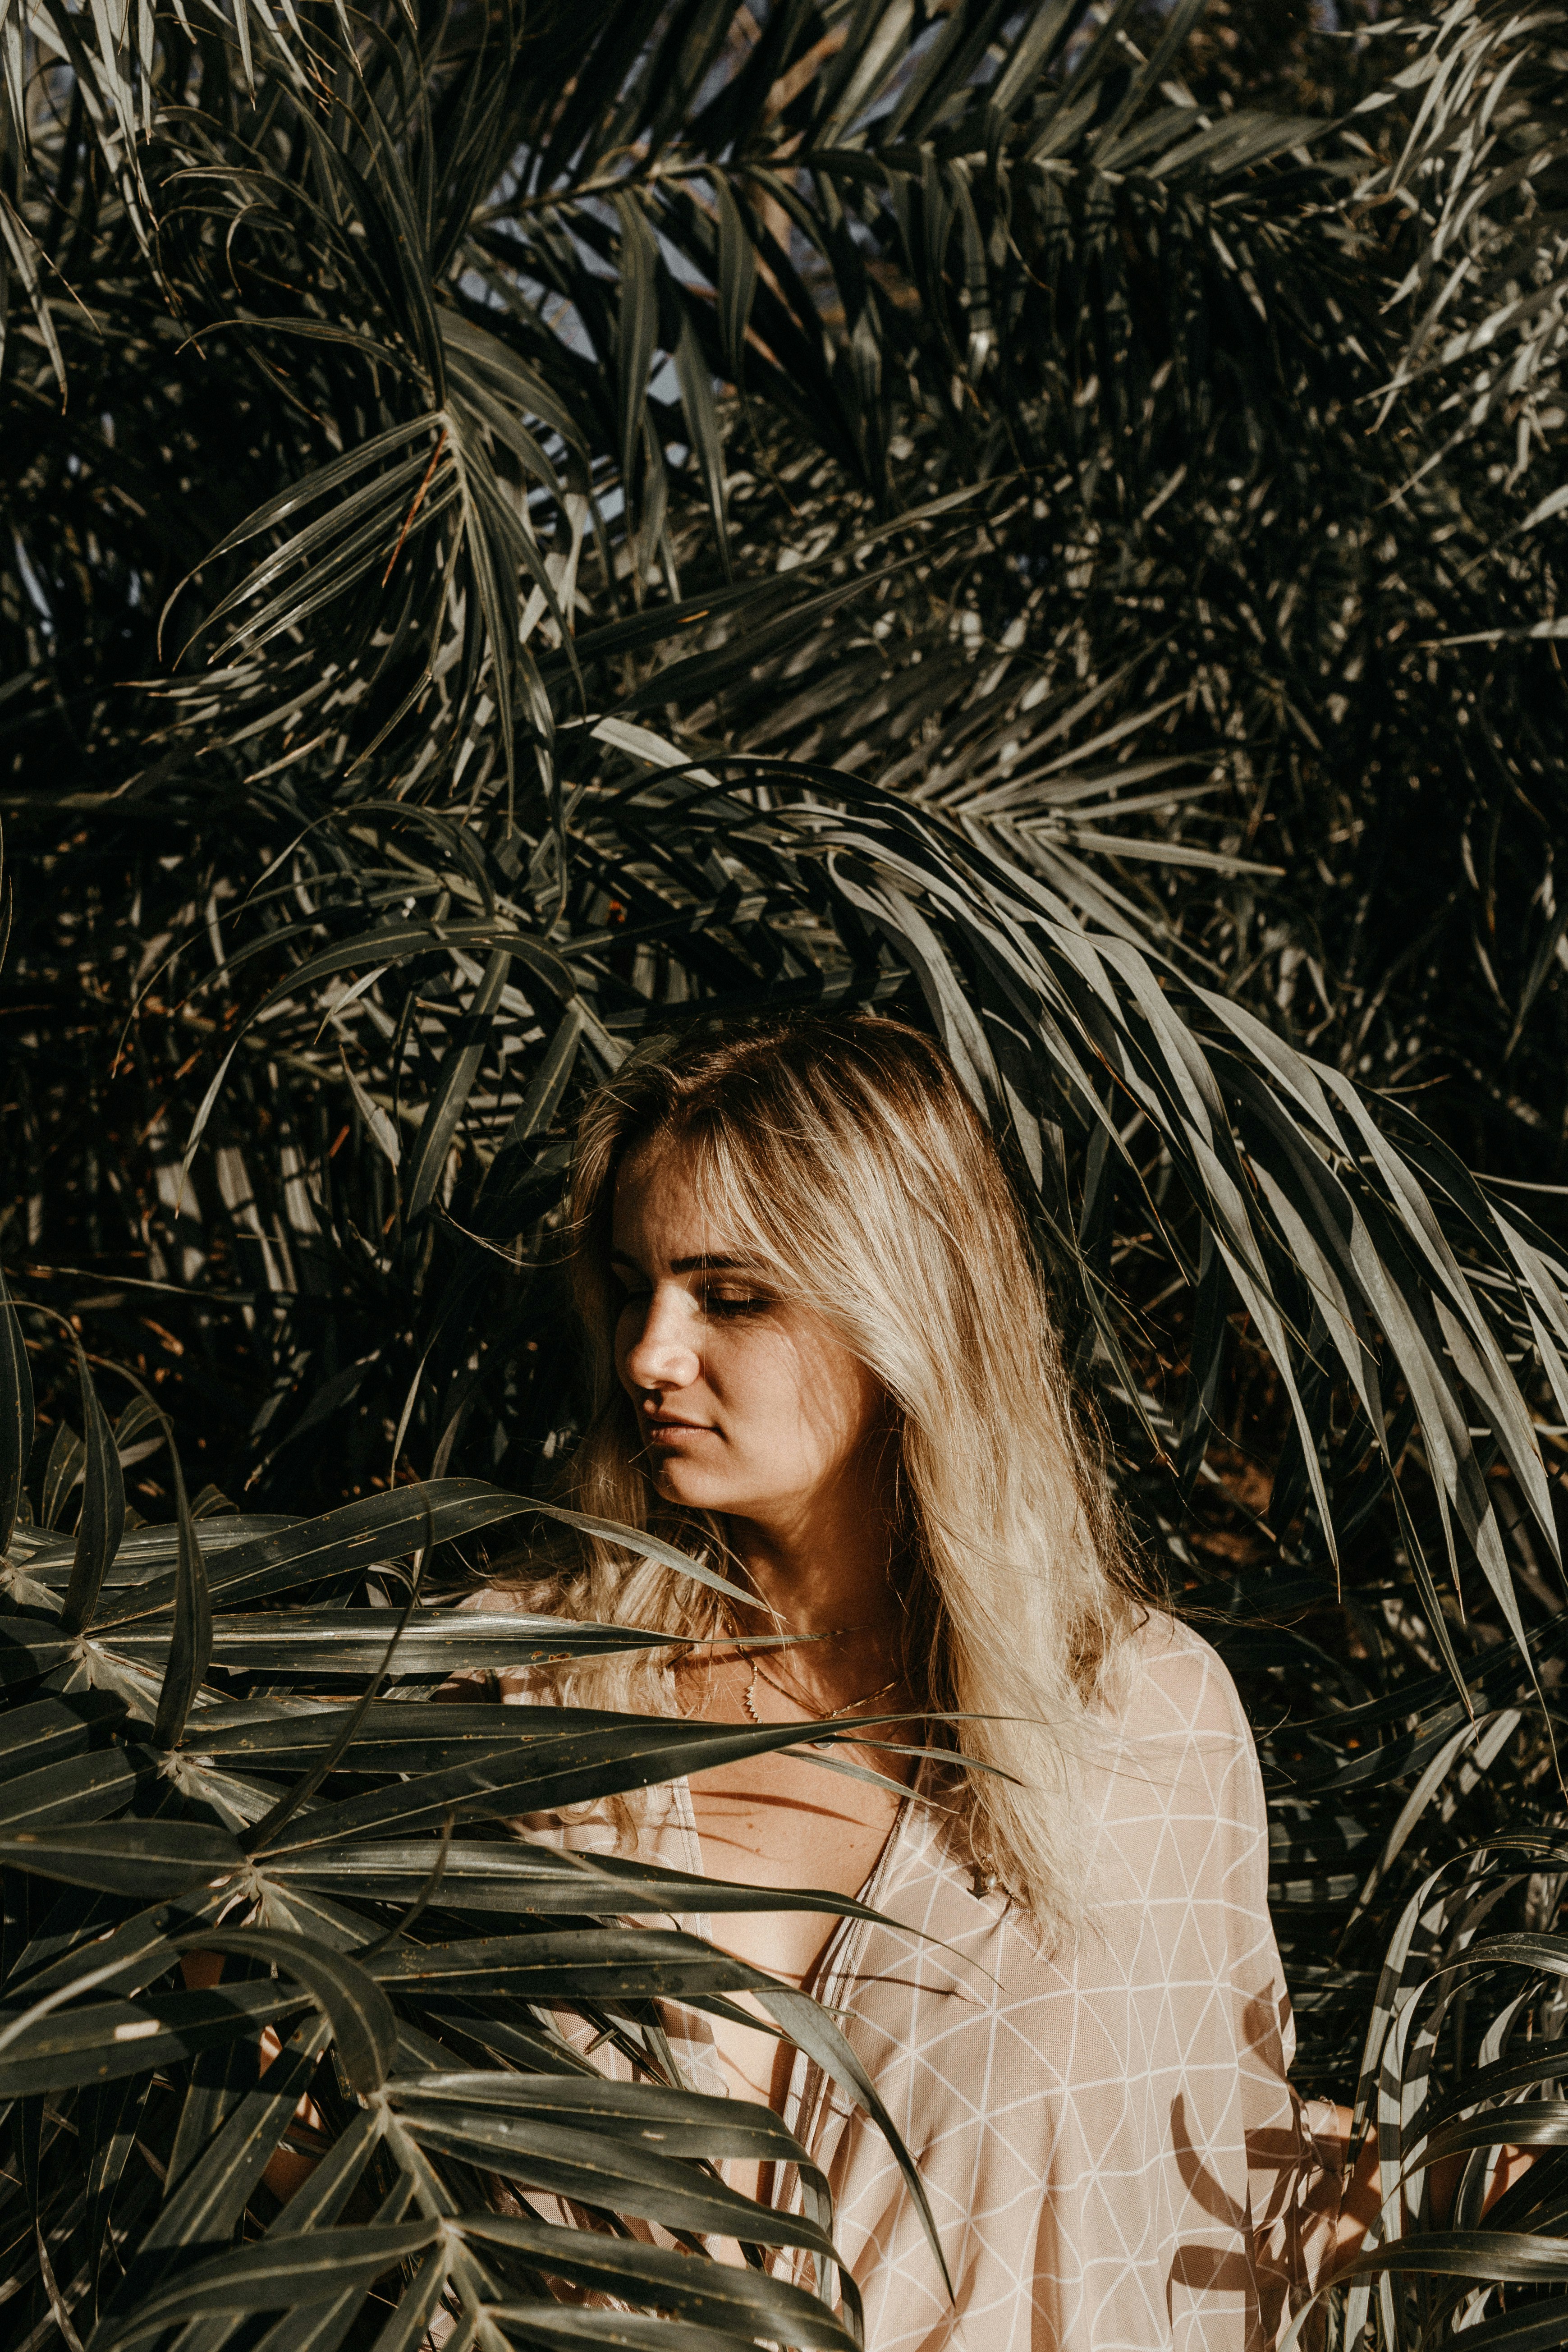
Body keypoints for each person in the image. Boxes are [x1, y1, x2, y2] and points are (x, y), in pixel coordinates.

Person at [463, 1009, 1370, 2351]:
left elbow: (1197, 2163)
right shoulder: (513, 1694)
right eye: (635, 1285)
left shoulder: (1136, 1722)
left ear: (904, 1308)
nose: (650, 1353)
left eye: (730, 1295)